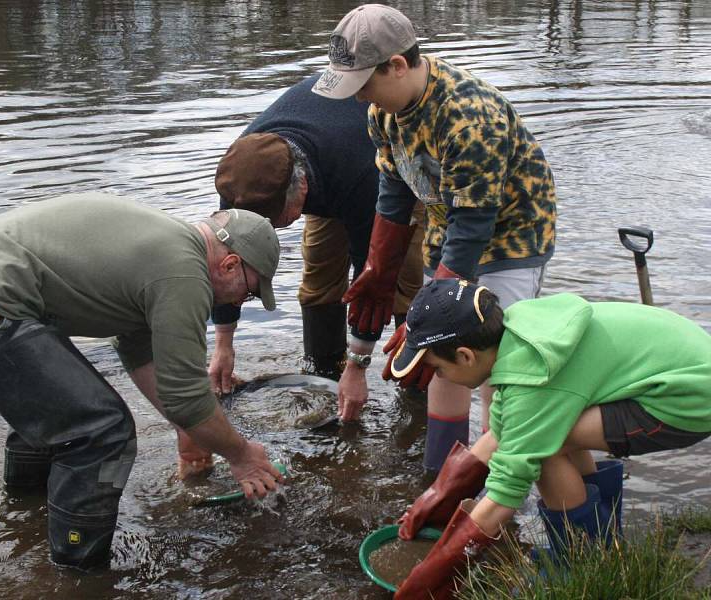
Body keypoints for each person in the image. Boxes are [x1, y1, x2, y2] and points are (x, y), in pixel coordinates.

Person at [0, 193, 284, 570]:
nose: (240, 303)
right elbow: (186, 395)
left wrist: (187, 430)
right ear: (230, 264)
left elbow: (141, 349)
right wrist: (241, 455)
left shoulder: (170, 247)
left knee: (61, 414)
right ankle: (79, 572)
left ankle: (23, 516)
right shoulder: (184, 273)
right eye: (250, 291)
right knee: (102, 430)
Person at [313, 3, 557, 475]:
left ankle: (493, 488)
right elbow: (393, 192)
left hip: (511, 238)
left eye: (364, 84)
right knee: (443, 361)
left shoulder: (468, 117)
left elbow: (476, 225)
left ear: (398, 65)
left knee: (493, 365)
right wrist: (377, 270)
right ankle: (438, 476)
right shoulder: (384, 115)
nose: (360, 97)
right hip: (448, 227)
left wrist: (432, 313)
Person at [383, 279, 711, 598]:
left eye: (438, 368)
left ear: (466, 356)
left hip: (686, 400)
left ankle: (581, 561)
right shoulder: (517, 331)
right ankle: (604, 543)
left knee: (541, 446)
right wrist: (438, 497)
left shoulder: (531, 377)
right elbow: (503, 430)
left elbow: (504, 497)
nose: (438, 376)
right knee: (539, 430)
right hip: (684, 366)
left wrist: (434, 573)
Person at [211, 73, 424, 421]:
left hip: (384, 175)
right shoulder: (241, 177)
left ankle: (416, 395)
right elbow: (224, 265)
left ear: (302, 188)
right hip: (326, 168)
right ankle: (323, 373)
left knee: (400, 286)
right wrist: (224, 345)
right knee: (319, 280)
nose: (272, 230)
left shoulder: (360, 177)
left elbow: (372, 277)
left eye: (277, 220)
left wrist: (357, 367)